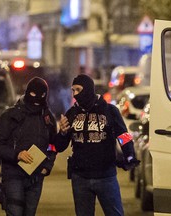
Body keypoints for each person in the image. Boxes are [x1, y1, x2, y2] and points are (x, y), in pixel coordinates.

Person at [54, 74, 140, 216]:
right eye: (73, 90)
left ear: (87, 89)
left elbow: (123, 136)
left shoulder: (110, 111)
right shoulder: (72, 113)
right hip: (80, 177)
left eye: (78, 90)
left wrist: (129, 156)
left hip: (106, 176)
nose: (75, 94)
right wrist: (62, 133)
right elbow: (60, 146)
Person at [0, 77, 57, 216]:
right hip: (13, 175)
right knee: (15, 212)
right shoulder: (10, 115)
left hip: (36, 176)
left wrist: (47, 166)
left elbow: (52, 145)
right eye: (33, 94)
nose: (37, 98)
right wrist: (17, 154)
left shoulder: (47, 118)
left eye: (42, 95)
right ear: (27, 92)